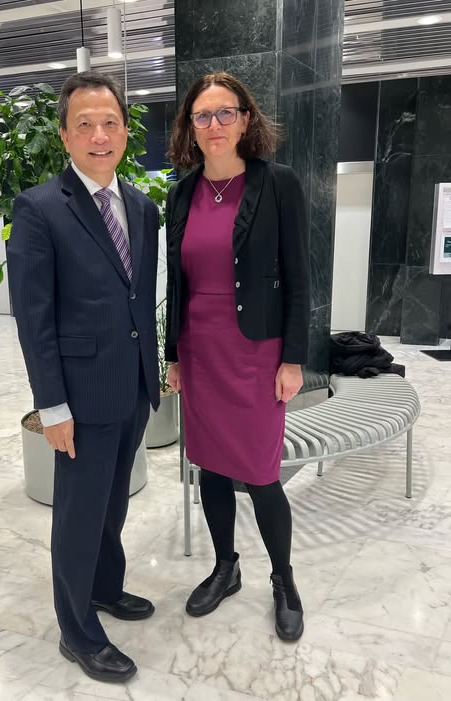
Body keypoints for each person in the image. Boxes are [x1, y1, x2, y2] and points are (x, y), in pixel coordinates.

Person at [7, 72, 160, 682]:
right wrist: (51, 406)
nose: (100, 135)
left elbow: (136, 298)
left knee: (113, 503)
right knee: (78, 514)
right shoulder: (39, 208)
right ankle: (77, 630)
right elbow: (33, 316)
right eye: (85, 125)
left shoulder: (142, 207)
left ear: (125, 131)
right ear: (65, 136)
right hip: (79, 395)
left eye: (110, 123)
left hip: (133, 386)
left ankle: (104, 586)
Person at [164, 72, 310, 641]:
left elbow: (299, 277)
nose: (215, 124)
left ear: (246, 119)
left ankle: (284, 580)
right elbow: (176, 284)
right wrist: (173, 356)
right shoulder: (181, 193)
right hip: (200, 351)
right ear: (190, 127)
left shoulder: (278, 184)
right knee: (211, 467)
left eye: (226, 112)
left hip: (256, 353)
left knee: (261, 473)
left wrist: (293, 358)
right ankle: (226, 567)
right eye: (203, 116)